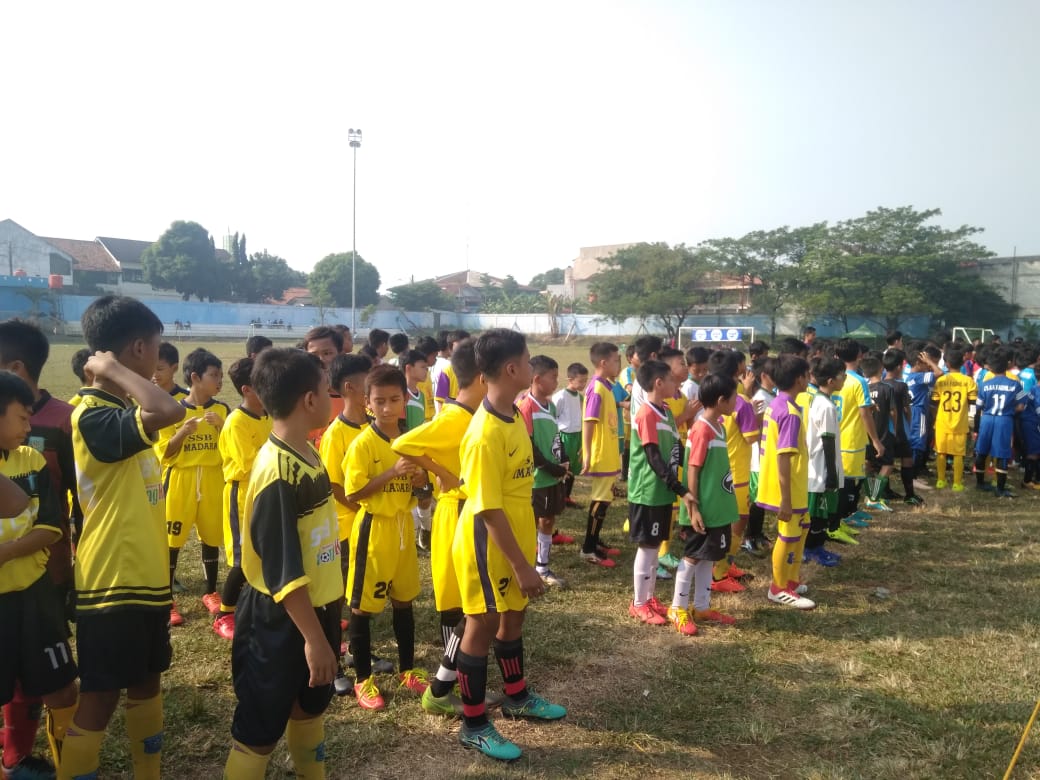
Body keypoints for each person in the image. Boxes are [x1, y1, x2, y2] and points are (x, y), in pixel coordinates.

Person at [60, 295, 185, 780]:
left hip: (145, 579)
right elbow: (168, 408)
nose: (158, 361)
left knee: (146, 683)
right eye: (155, 349)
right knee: (100, 697)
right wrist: (111, 370)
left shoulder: (120, 410)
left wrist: (120, 376)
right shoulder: (93, 414)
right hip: (113, 581)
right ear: (136, 348)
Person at [221, 348, 341, 779]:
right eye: (329, 391)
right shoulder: (276, 470)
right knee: (260, 728)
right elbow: (283, 571)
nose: (333, 398)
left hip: (318, 608)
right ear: (309, 400)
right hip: (279, 618)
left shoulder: (308, 452)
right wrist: (314, 639)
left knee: (307, 709)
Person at [451, 329, 565, 761]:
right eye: (530, 358)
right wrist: (523, 565)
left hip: (514, 531)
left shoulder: (514, 413)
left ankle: (516, 697)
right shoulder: (483, 434)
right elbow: (486, 510)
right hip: (488, 541)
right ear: (513, 369)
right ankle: (474, 723)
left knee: (513, 615)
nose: (534, 364)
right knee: (482, 624)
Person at [391, 339, 488, 717]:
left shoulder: (477, 415)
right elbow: (402, 443)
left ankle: (456, 680)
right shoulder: (453, 418)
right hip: (454, 510)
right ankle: (446, 685)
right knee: (458, 604)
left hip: (470, 509)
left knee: (467, 603)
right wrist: (442, 472)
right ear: (482, 377)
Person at [0, 371, 79, 780]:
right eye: (22, 418)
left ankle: (70, 770)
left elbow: (49, 527)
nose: (30, 428)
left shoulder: (30, 460)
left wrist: (7, 553)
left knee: (63, 688)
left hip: (34, 597)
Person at [344, 365, 430, 711]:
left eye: (394, 399)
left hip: (402, 527)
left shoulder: (411, 440)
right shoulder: (364, 444)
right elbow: (354, 493)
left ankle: (408, 670)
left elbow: (424, 491)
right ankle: (363, 679)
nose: (387, 408)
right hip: (374, 529)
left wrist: (419, 482)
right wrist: (391, 473)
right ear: (367, 403)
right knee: (362, 607)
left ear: (405, 399)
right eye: (379, 401)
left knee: (405, 600)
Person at [159, 348, 228, 625]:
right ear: (196, 377)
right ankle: (167, 600)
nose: (219, 381)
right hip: (181, 479)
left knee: (211, 536)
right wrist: (182, 432)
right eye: (214, 375)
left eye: (221, 376)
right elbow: (164, 453)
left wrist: (222, 427)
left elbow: (231, 447)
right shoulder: (171, 409)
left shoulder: (222, 409)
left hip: (213, 478)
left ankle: (211, 591)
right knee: (171, 540)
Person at [626, 360, 696, 629]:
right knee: (647, 546)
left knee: (655, 546)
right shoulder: (646, 413)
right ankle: (639, 603)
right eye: (671, 380)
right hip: (648, 491)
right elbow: (653, 457)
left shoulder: (665, 411)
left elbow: (673, 449)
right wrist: (679, 487)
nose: (676, 384)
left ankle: (649, 597)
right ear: (658, 383)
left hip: (664, 491)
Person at [672, 372, 740, 632]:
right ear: (722, 400)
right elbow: (693, 468)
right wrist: (693, 507)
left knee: (708, 557)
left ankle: (701, 607)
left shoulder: (719, 427)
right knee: (692, 556)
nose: (737, 402)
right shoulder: (701, 428)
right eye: (734, 398)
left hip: (718, 508)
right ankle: (678, 609)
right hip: (704, 509)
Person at [213, 358, 272, 640]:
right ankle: (224, 614)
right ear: (247, 389)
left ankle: (261, 607)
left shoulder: (269, 415)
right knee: (241, 556)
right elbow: (251, 462)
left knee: (263, 552)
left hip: (266, 491)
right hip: (242, 494)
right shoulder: (236, 422)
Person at [756, 355, 815, 609]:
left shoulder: (779, 403)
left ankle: (790, 579)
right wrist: (786, 499)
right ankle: (778, 587)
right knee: (788, 535)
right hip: (787, 487)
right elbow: (783, 458)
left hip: (794, 484)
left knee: (802, 529)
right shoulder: (789, 412)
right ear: (800, 378)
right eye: (807, 374)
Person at [708, 350, 758, 593]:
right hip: (737, 472)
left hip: (719, 467)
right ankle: (719, 574)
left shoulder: (711, 396)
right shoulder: (741, 402)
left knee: (722, 523)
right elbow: (751, 438)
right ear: (738, 367)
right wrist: (759, 418)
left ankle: (726, 564)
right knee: (738, 522)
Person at [518, 355, 570, 589]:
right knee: (531, 522)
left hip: (552, 475)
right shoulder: (525, 406)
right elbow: (528, 445)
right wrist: (551, 468)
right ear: (537, 379)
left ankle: (542, 567)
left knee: (548, 520)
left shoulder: (549, 405)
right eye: (553, 377)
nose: (556, 382)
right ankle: (527, 568)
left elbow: (555, 437)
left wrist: (565, 458)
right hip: (536, 477)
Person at [834, 339, 884, 533]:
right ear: (860, 355)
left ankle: (850, 512)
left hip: (839, 436)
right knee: (847, 480)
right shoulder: (858, 381)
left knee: (852, 477)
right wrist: (876, 440)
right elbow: (865, 413)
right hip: (850, 438)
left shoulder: (833, 378)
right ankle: (842, 518)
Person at [580, 342, 623, 568]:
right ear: (604, 363)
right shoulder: (596, 388)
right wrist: (587, 454)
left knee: (605, 500)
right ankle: (588, 548)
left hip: (609, 452)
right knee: (600, 500)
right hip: (600, 453)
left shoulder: (606, 386)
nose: (619, 364)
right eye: (616, 360)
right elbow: (589, 423)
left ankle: (595, 542)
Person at [801, 356, 846, 568]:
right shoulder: (826, 406)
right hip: (820, 469)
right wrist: (832, 473)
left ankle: (816, 547)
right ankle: (812, 549)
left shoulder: (819, 400)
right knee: (818, 515)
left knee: (821, 513)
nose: (844, 378)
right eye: (842, 375)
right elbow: (827, 440)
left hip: (820, 467)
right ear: (830, 381)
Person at [974, 347, 1026, 497]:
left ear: (991, 367)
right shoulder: (1016, 384)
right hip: (1004, 420)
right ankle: (1000, 489)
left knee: (982, 450)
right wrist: (1009, 409)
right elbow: (1022, 406)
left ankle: (980, 483)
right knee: (1002, 453)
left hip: (987, 419)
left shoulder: (984, 384)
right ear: (1007, 366)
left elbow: (979, 405)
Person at [742, 356, 776, 556]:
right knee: (755, 499)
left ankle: (757, 533)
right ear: (764, 376)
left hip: (764, 457)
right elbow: (755, 427)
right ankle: (748, 537)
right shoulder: (761, 398)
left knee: (760, 498)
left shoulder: (770, 396)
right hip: (757, 458)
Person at [932, 346, 977, 492]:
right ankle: (957, 483)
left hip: (942, 422)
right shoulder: (968, 381)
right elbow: (972, 401)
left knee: (941, 452)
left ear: (947, 364)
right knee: (958, 453)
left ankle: (940, 480)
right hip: (959, 422)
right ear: (963, 362)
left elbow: (935, 400)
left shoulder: (940, 380)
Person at [863, 355, 899, 512]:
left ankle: (869, 493)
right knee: (888, 465)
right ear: (881, 369)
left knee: (868, 464)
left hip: (866, 432)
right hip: (883, 432)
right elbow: (893, 411)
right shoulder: (887, 388)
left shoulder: (864, 388)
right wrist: (896, 428)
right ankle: (874, 497)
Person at [552, 362, 588, 511]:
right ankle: (558, 498)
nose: (583, 384)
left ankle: (567, 497)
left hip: (577, 436)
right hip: (564, 436)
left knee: (573, 468)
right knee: (563, 467)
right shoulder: (560, 396)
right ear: (570, 379)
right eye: (580, 381)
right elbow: (554, 417)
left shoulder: (580, 397)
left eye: (585, 381)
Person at [906, 346, 943, 476]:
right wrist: (931, 362)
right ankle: (914, 471)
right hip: (918, 411)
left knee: (918, 439)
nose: (927, 366)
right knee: (918, 440)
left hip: (914, 410)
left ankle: (915, 469)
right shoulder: (918, 377)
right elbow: (939, 373)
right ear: (918, 363)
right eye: (924, 363)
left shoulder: (911, 377)